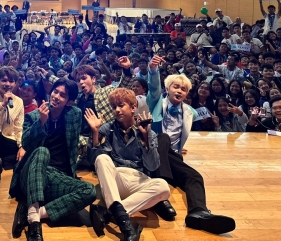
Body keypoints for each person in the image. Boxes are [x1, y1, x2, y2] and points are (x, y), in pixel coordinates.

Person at [139, 63, 236, 234]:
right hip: (153, 152)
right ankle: (161, 188)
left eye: (183, 89)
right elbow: (153, 90)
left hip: (172, 156)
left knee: (195, 176)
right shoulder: (156, 103)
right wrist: (153, 71)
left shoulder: (191, 111)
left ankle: (198, 213)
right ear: (167, 89)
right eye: (176, 87)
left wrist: (178, 148)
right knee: (163, 138)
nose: (179, 91)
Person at [10, 79, 96, 241]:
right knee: (42, 152)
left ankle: (34, 211)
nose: (56, 96)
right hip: (32, 173)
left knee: (90, 190)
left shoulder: (74, 114)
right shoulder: (33, 116)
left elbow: (74, 146)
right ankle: (34, 224)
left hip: (57, 176)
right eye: (55, 91)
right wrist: (41, 122)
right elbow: (26, 143)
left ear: (69, 102)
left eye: (62, 95)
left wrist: (95, 131)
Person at [85, 88, 170, 241]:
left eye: (121, 105)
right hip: (116, 179)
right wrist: (95, 133)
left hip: (138, 179)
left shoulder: (147, 131)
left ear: (133, 107)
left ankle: (110, 213)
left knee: (163, 187)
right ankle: (125, 224)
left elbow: (152, 166)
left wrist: (145, 136)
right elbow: (93, 161)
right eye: (114, 107)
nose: (117, 110)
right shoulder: (107, 129)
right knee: (102, 159)